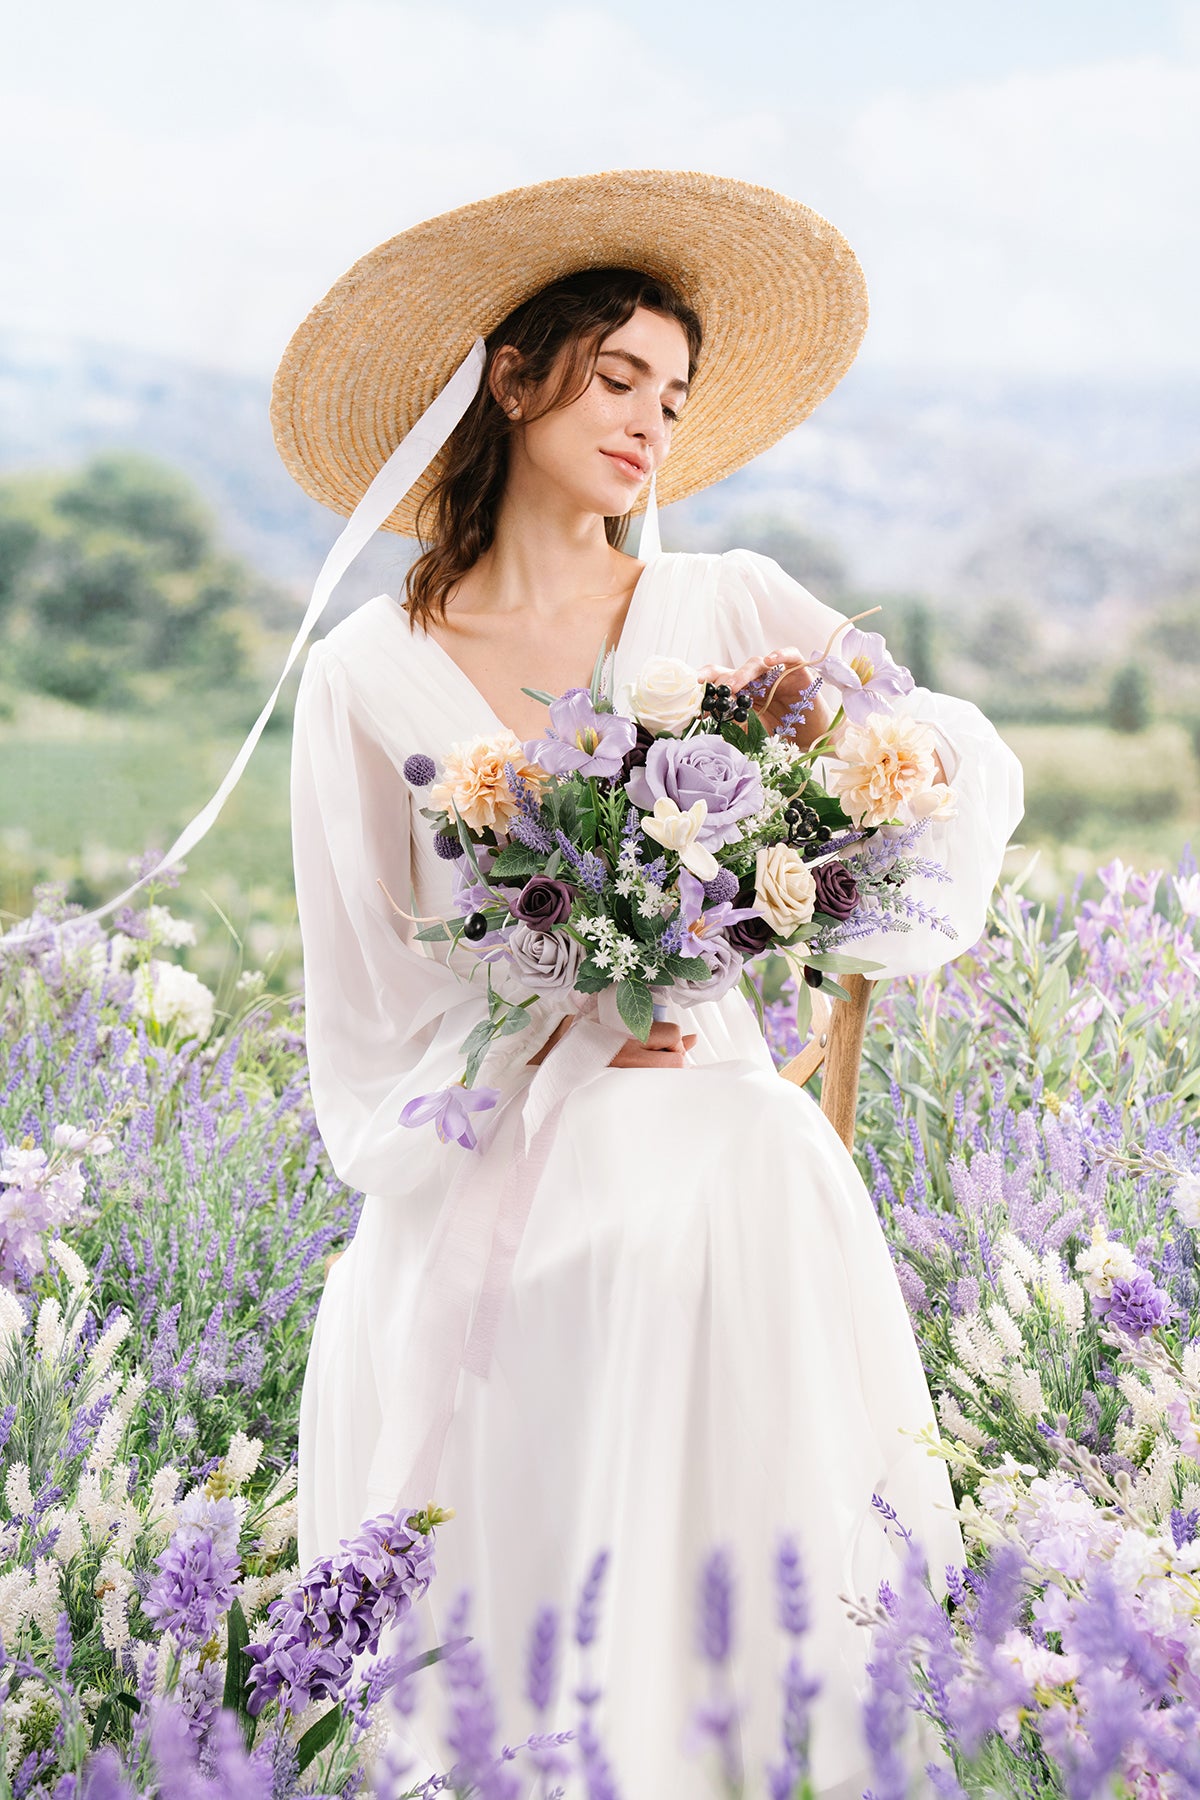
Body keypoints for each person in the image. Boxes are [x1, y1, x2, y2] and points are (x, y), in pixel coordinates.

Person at [280, 172, 1025, 1797]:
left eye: (673, 398)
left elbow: (934, 763)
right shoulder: (361, 679)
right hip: (491, 1168)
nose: (649, 423)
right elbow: (362, 995)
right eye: (618, 377)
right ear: (514, 374)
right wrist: (540, 1027)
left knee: (736, 1200)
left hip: (722, 1146)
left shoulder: (728, 607)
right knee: (500, 1329)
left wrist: (800, 884)